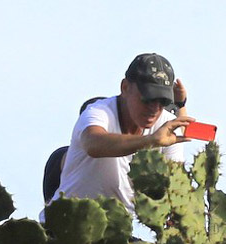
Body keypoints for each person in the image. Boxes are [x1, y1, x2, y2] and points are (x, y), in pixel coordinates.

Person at [40, 53, 192, 221]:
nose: (154, 109)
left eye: (162, 101)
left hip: (116, 236)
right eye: (148, 98)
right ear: (125, 87)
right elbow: (93, 143)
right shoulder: (99, 111)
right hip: (67, 226)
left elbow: (176, 187)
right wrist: (150, 141)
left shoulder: (168, 127)